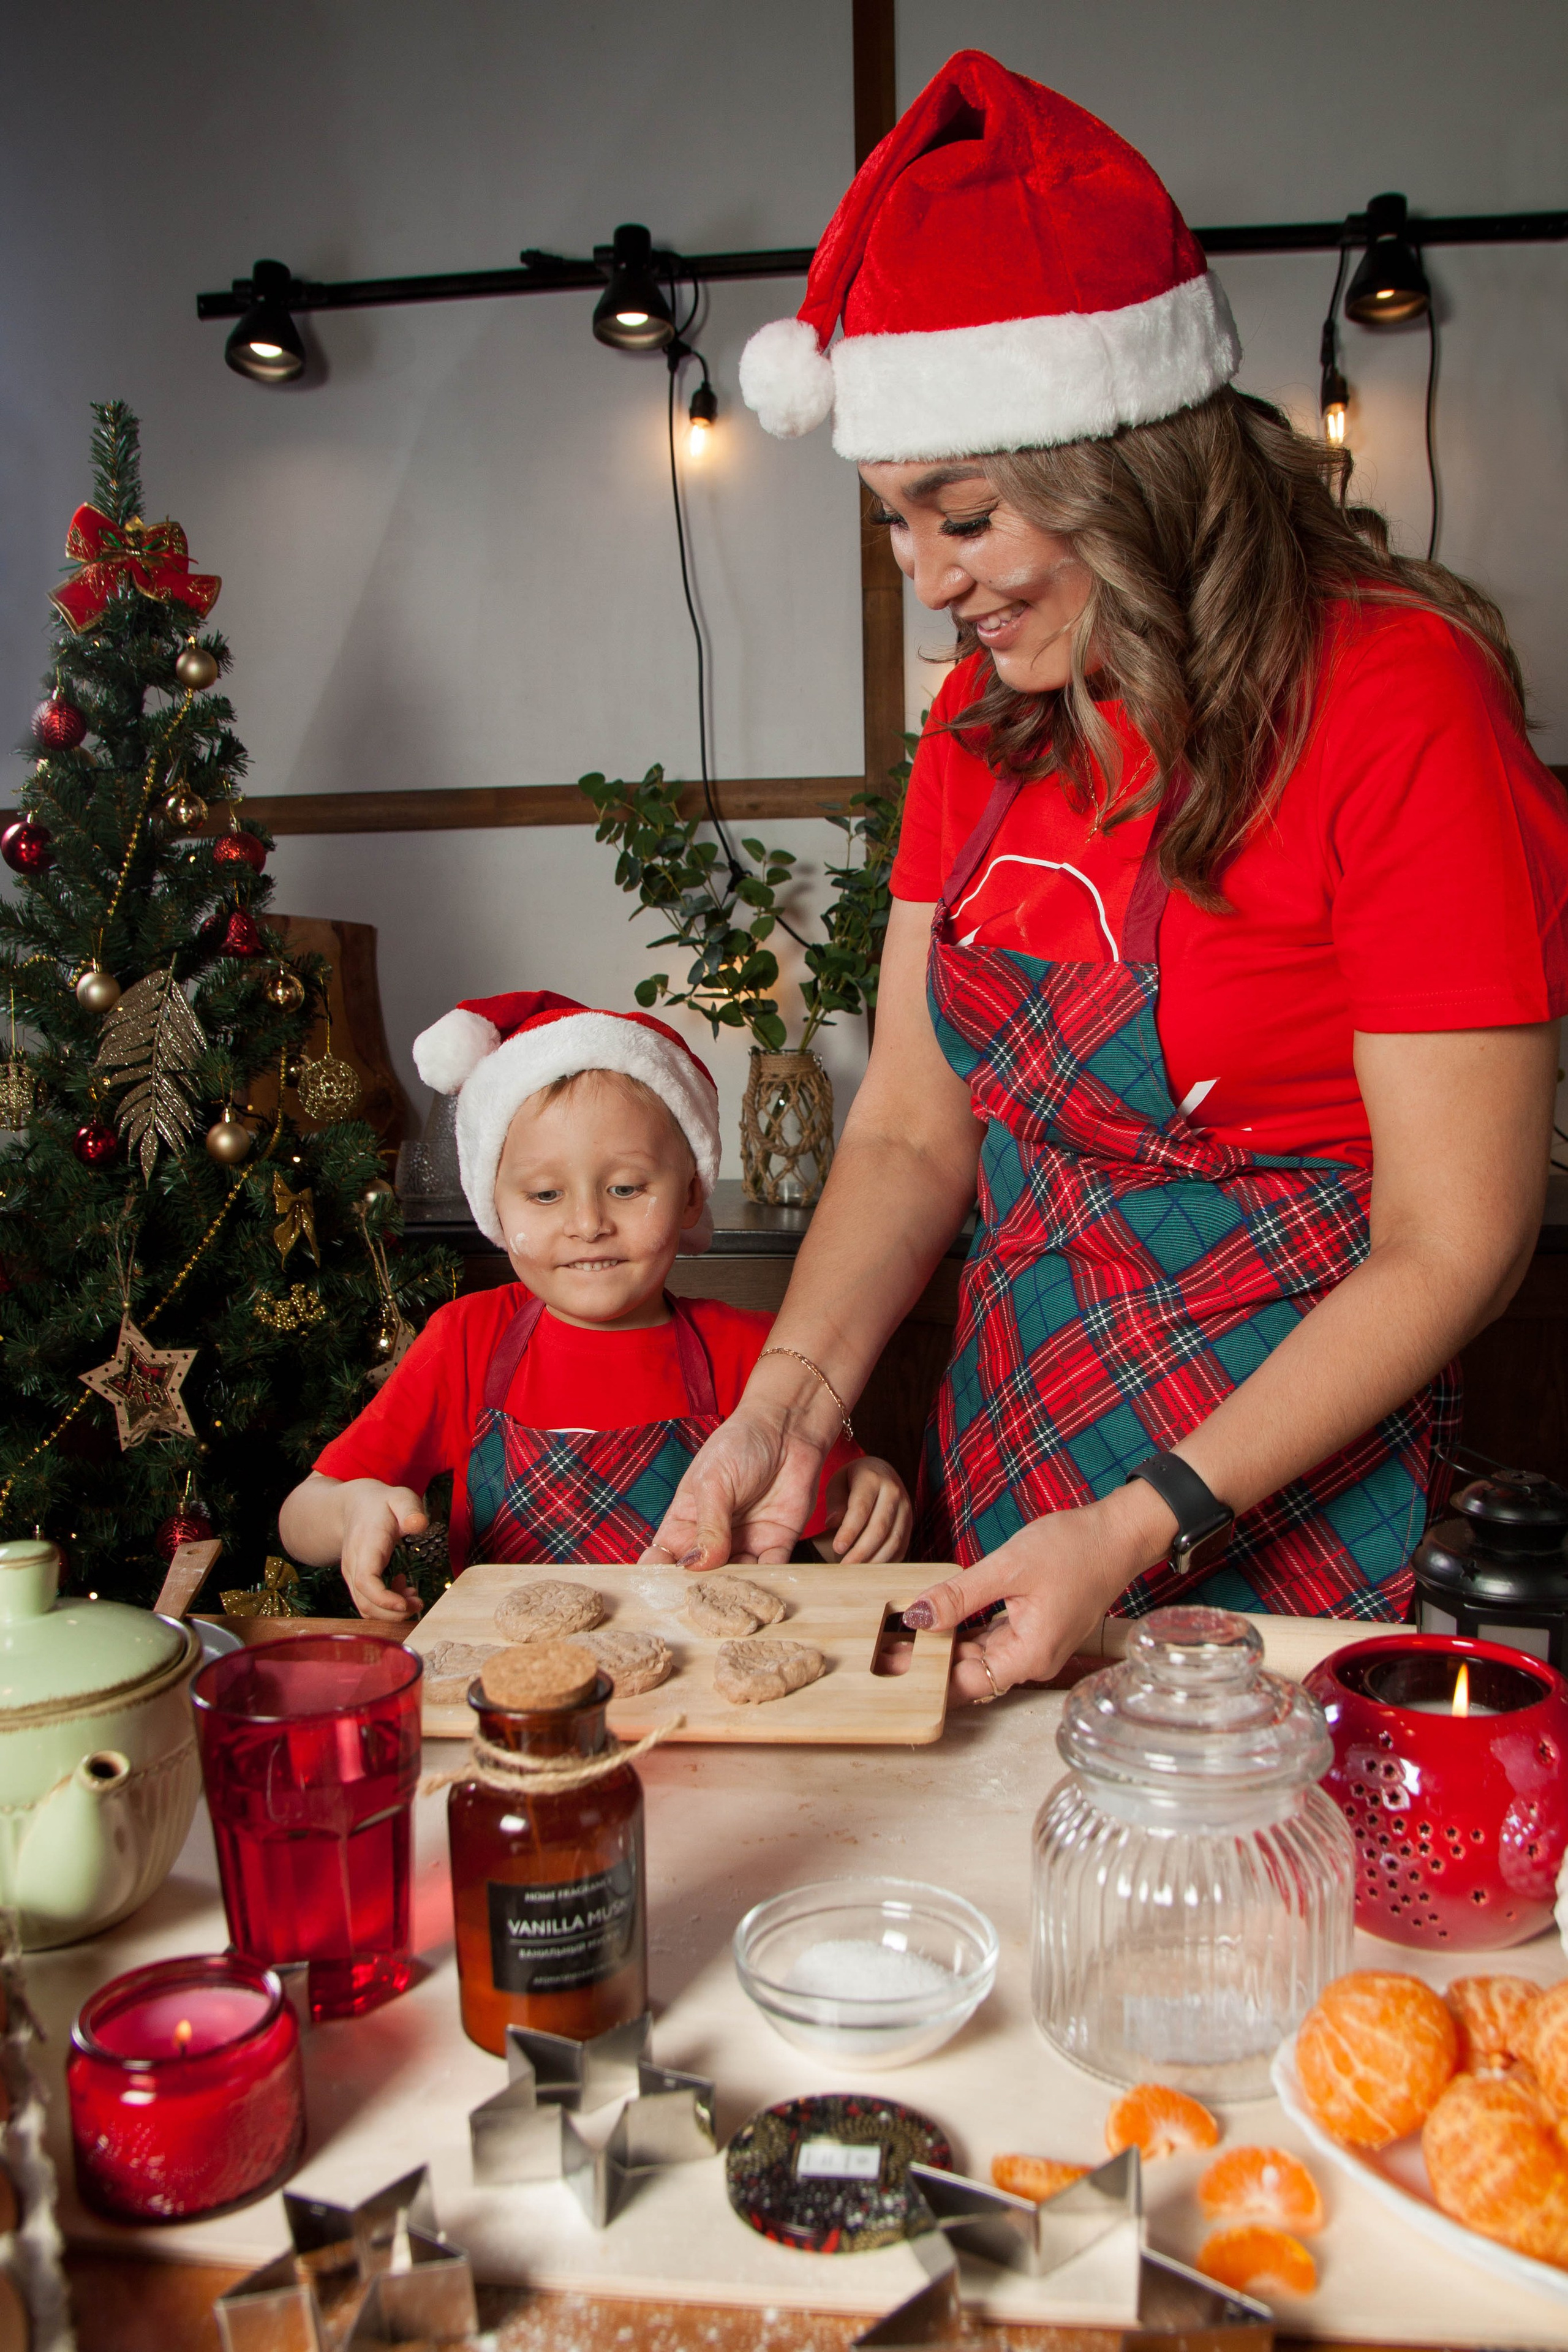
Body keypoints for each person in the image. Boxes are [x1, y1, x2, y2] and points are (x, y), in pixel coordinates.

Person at [643, 51, 1568, 1702]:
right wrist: (783, 1404)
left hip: (1293, 1469)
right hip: (1024, 1429)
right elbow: (918, 1130)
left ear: (1125, 464)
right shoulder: (982, 727)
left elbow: (1459, 1238)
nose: (931, 585)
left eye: (967, 516)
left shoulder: (1397, 696)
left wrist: (1143, 1524)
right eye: (891, 528)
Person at [280, 991, 910, 1619]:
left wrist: (859, 1500)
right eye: (546, 1193)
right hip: (512, 1695)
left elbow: (828, 1524)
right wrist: (352, 1509)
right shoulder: (465, 1341)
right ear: (493, 1208)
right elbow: (300, 1517)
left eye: (625, 1187)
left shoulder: (754, 1353)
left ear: (691, 1196)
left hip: (698, 1696)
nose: (587, 1223)